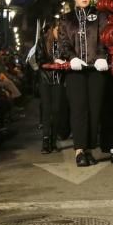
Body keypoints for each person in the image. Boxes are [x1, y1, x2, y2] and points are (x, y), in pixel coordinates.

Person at [61, 0, 110, 167]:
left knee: (94, 109)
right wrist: (72, 58)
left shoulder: (100, 16)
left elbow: (105, 39)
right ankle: (79, 150)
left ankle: (89, 148)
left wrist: (101, 57)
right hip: (76, 71)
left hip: (96, 69)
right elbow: (64, 43)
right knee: (78, 109)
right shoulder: (66, 19)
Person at [36, 20, 71, 154]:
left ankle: (53, 140)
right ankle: (45, 141)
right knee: (47, 110)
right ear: (53, 29)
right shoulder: (43, 41)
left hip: (59, 79)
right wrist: (53, 64)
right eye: (59, 29)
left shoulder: (64, 43)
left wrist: (64, 64)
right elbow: (39, 61)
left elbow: (68, 57)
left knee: (57, 110)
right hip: (46, 79)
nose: (61, 32)